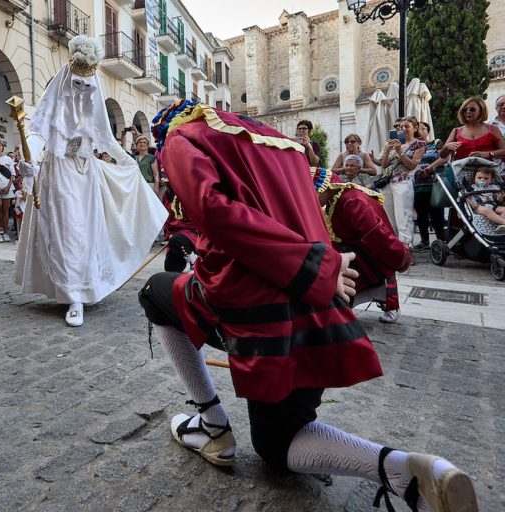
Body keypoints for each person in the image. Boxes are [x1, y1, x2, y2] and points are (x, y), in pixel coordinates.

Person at [138, 99, 478, 512]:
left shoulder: (179, 137)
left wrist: (314, 266)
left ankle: (212, 424)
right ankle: (415, 469)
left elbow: (214, 211)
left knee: (155, 291)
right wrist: (321, 268)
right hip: (315, 296)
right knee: (283, 438)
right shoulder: (280, 143)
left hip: (256, 300)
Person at [15, 35, 167, 327]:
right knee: (67, 231)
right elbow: (37, 132)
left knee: (86, 233)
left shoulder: (93, 96)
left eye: (88, 83)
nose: (83, 89)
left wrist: (127, 163)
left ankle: (86, 287)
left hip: (87, 174)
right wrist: (29, 161)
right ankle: (73, 295)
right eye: (78, 83)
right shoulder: (55, 96)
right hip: (58, 172)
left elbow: (105, 139)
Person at [314, 168, 410, 323]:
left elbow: (378, 236)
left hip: (370, 253)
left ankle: (386, 303)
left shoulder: (351, 201)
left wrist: (400, 257)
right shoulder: (336, 200)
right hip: (358, 250)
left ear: (324, 187)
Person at [379, 116, 426, 248]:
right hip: (388, 183)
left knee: (404, 216)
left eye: (407, 126)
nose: (403, 129)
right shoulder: (395, 143)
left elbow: (412, 165)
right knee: (389, 217)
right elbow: (384, 165)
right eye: (400, 127)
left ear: (415, 128)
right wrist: (388, 151)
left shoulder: (419, 144)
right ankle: (394, 248)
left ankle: (406, 248)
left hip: (404, 181)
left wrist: (400, 152)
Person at [413, 121, 446, 250]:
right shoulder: (412, 146)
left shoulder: (436, 143)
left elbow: (445, 158)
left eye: (421, 128)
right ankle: (424, 241)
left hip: (434, 184)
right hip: (417, 185)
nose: (418, 131)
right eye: (417, 129)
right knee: (421, 214)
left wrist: (430, 168)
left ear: (427, 130)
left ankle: (441, 241)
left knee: (437, 213)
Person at [439, 97, 505, 161]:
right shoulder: (456, 131)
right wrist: (446, 147)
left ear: (481, 110)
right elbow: (442, 155)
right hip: (461, 169)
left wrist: (488, 154)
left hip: (486, 169)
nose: (468, 112)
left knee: (482, 173)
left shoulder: (492, 128)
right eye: (465, 110)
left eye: (472, 109)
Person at [467, 167, 505, 235]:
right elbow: (467, 198)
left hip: (493, 205)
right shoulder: (472, 187)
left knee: (504, 209)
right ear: (474, 179)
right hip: (478, 207)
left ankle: (501, 225)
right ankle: (503, 222)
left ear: (491, 180)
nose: (482, 180)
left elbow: (498, 200)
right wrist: (472, 204)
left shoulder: (494, 187)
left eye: (486, 178)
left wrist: (499, 199)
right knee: (486, 210)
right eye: (479, 178)